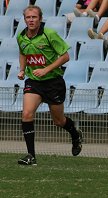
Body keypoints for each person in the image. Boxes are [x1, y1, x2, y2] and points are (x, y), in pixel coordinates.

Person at [16, 5, 83, 165]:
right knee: (26, 114)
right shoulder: (21, 36)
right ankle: (31, 156)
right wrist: (22, 69)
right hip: (34, 81)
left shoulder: (49, 34)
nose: (31, 20)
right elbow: (22, 52)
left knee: (59, 121)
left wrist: (46, 70)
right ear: (24, 19)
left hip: (53, 82)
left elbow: (65, 56)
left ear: (40, 18)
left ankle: (75, 134)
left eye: (34, 17)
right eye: (28, 17)